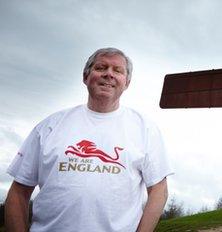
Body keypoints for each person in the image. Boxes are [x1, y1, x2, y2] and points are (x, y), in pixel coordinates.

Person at [4, 48, 173, 231]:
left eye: (117, 70)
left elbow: (159, 190)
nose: (109, 74)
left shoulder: (145, 129)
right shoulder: (49, 126)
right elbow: (18, 192)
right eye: (101, 67)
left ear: (127, 83)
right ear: (86, 77)